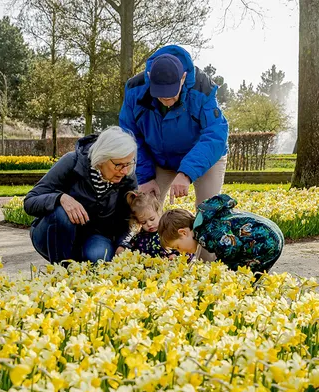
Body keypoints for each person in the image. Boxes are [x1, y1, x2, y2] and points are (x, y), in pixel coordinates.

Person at [119, 44, 229, 210]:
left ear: (183, 78)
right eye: (160, 93)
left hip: (202, 156)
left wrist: (186, 172)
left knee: (209, 214)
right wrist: (145, 177)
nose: (166, 99)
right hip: (158, 158)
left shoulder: (203, 88)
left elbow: (215, 135)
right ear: (149, 77)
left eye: (171, 93)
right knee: (146, 210)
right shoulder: (135, 89)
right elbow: (130, 136)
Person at [24, 127, 137, 263]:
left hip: (96, 237)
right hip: (54, 234)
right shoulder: (72, 162)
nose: (124, 171)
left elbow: (128, 218)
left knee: (99, 257)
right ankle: (61, 271)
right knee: (61, 212)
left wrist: (123, 244)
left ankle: (80, 273)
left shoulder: (127, 177)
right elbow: (30, 201)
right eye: (118, 165)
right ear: (101, 158)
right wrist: (60, 198)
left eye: (129, 164)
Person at [158, 194, 284, 274]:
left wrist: (219, 268)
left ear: (183, 233)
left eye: (178, 247)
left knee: (243, 278)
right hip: (272, 233)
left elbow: (231, 247)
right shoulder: (207, 220)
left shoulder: (206, 233)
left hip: (265, 242)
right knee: (246, 274)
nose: (181, 252)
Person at [116, 190, 178, 259]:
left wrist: (175, 255)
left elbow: (184, 247)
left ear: (159, 212)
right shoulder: (140, 236)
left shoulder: (168, 231)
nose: (149, 224)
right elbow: (130, 244)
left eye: (152, 219)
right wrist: (123, 247)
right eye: (143, 222)